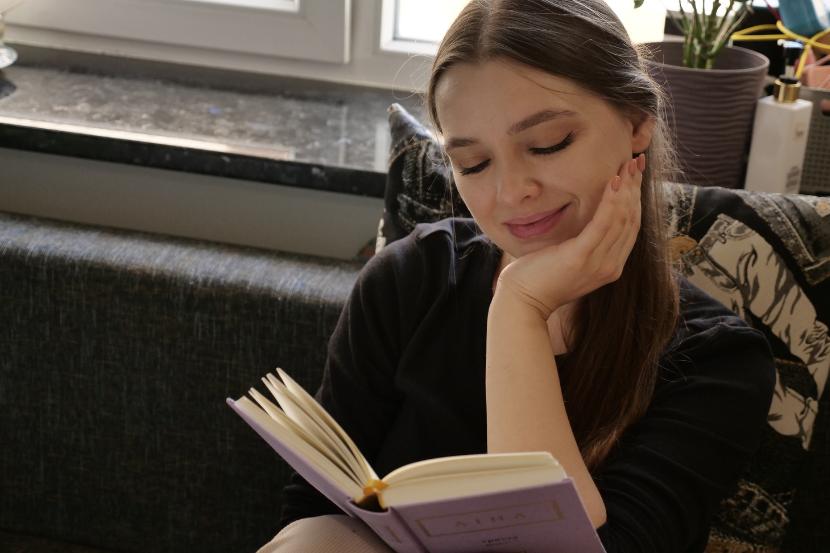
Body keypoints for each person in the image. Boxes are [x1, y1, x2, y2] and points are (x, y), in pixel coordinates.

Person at [259, 0, 776, 551]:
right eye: (474, 164)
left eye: (548, 144)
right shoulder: (409, 280)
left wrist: (519, 309)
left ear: (636, 124)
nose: (510, 194)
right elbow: (315, 505)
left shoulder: (719, 361)